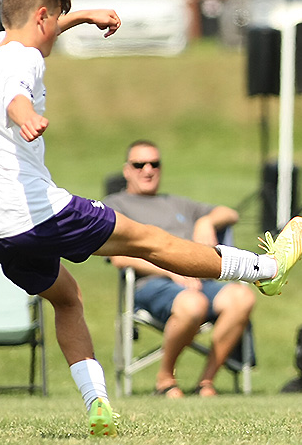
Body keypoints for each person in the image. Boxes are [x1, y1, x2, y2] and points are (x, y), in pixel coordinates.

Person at [0, 0, 302, 436]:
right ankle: (265, 270)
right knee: (150, 241)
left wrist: (82, 16)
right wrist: (26, 118)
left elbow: (31, 34)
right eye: (56, 23)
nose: (54, 38)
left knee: (67, 298)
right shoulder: (25, 58)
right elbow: (15, 95)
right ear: (41, 17)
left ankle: (98, 404)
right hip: (34, 211)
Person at [104, 140, 256, 398]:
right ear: (127, 170)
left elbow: (230, 214)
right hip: (152, 284)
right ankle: (165, 379)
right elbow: (119, 257)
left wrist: (207, 220)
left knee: (242, 297)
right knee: (192, 304)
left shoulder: (177, 203)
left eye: (155, 164)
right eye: (139, 164)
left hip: (199, 281)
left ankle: (206, 382)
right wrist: (171, 270)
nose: (148, 170)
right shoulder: (117, 205)